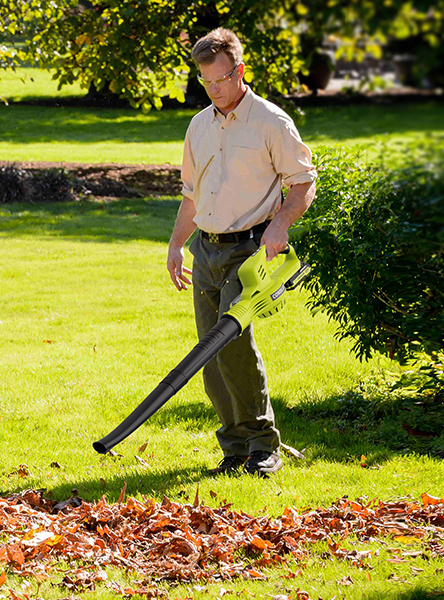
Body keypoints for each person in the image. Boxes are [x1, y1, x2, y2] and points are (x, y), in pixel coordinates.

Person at [167, 28, 317, 476]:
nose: (214, 90)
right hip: (206, 250)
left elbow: (303, 181)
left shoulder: (271, 122)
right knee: (209, 352)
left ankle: (262, 445)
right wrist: (176, 244)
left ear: (240, 71)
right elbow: (192, 195)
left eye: (221, 80)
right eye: (206, 83)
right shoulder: (198, 126)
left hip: (250, 252)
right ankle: (235, 449)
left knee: (232, 345)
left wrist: (280, 225)